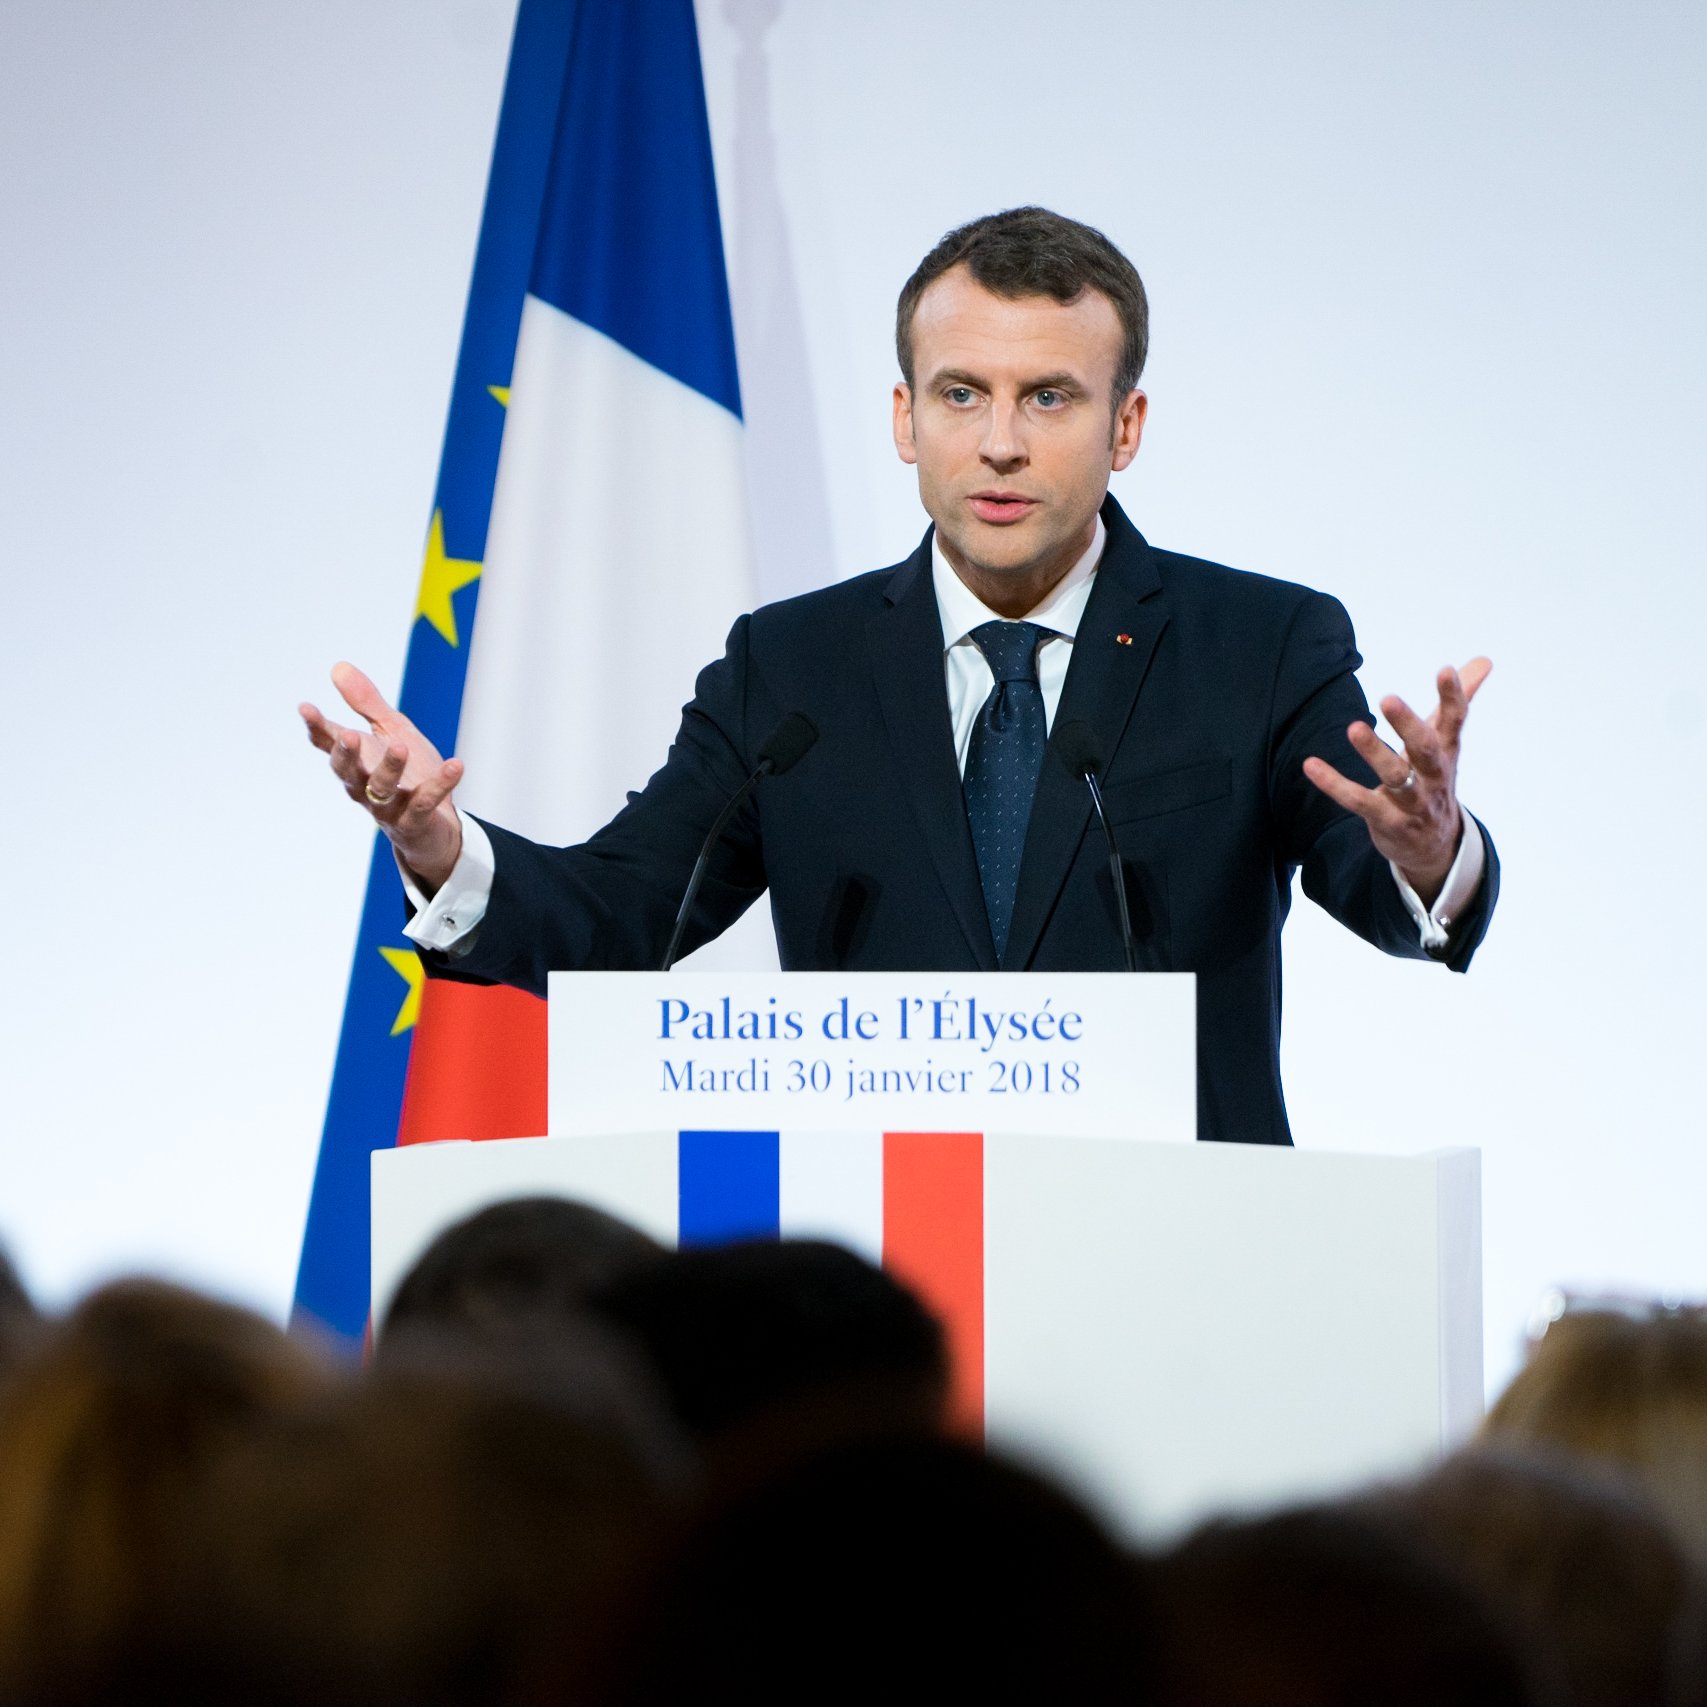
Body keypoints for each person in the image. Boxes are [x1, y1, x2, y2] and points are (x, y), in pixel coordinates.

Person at [301, 206, 1498, 1144]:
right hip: (881, 1287)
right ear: (903, 415)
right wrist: (440, 852)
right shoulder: (793, 672)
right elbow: (622, 917)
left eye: (1050, 397)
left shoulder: (1260, 645)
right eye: (961, 393)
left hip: (1182, 1272)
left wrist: (1430, 851)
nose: (1000, 443)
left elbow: (1377, 876)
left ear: (1126, 426)